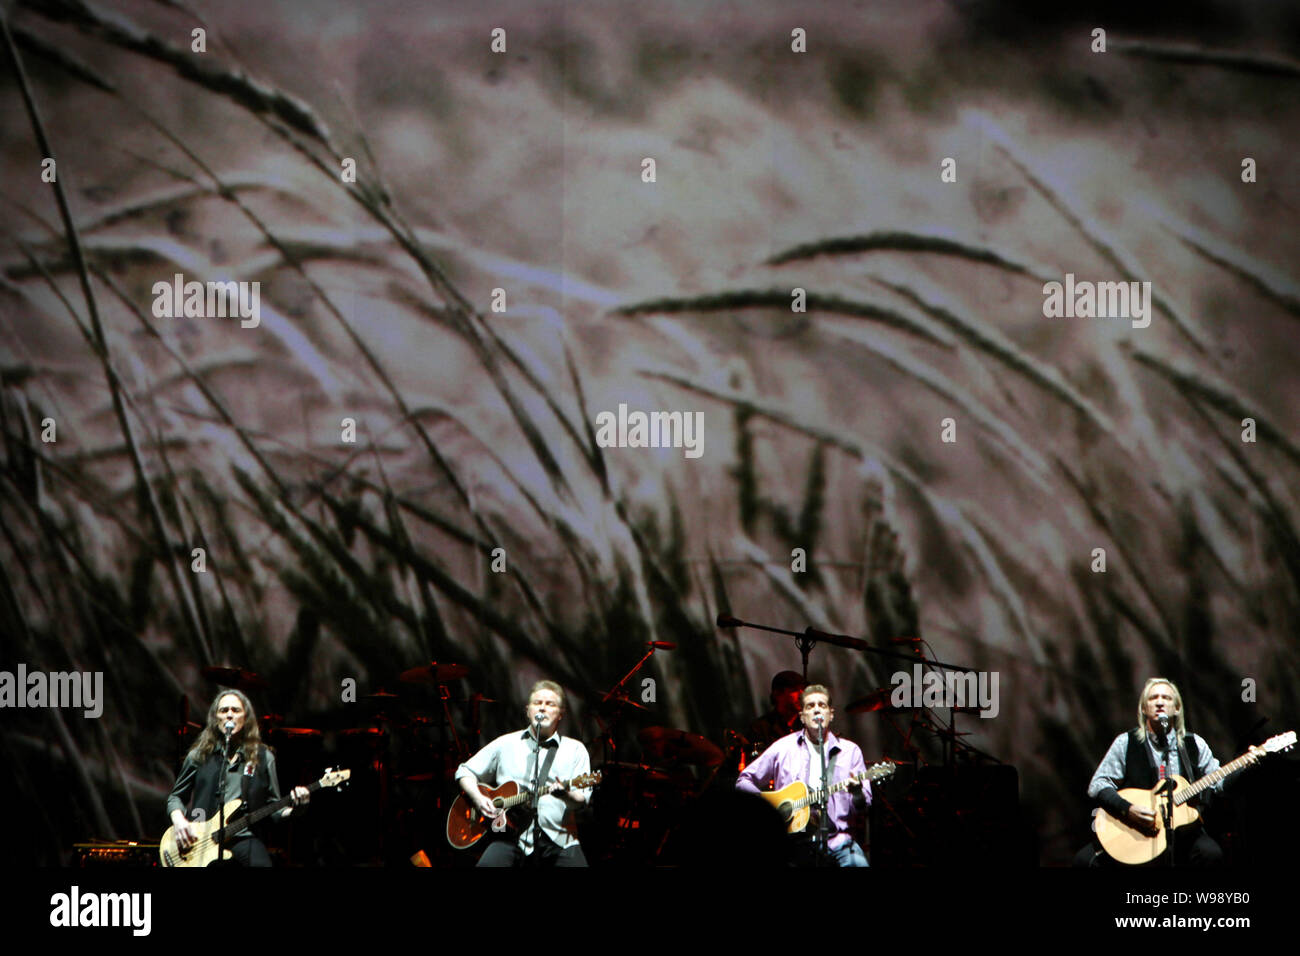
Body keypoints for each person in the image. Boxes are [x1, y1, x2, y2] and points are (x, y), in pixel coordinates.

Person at [1075, 677, 1224, 866]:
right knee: (1084, 861)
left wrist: (1245, 764)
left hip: (1184, 833)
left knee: (1211, 854)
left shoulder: (1194, 744)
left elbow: (1219, 782)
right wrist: (1128, 809)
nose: (1160, 702)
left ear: (1177, 708)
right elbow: (1098, 784)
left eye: (1167, 698)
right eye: (1153, 698)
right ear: (1144, 709)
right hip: (1137, 831)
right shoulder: (1126, 742)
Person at [455, 680, 592, 867]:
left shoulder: (575, 749)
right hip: (509, 837)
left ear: (561, 713)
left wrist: (565, 794)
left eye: (550, 704)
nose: (542, 708)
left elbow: (581, 800)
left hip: (560, 840)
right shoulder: (505, 744)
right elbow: (465, 771)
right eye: (537, 703)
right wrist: (478, 798)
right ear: (528, 711)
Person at [166, 689, 309, 867]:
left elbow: (275, 809)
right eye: (224, 710)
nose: (229, 715)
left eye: (236, 710)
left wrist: (297, 809)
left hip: (243, 837)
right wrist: (179, 821)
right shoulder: (198, 756)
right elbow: (175, 797)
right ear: (215, 718)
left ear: (246, 717)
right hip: (200, 841)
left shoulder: (264, 758)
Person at [736, 684, 873, 866]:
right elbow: (743, 781)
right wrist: (767, 806)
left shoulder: (850, 751)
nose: (817, 710)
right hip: (791, 844)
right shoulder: (782, 747)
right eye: (810, 706)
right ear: (801, 716)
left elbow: (864, 806)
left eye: (822, 705)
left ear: (831, 714)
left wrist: (857, 793)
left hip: (838, 842)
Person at [746, 670, 807, 756]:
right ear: (777, 694)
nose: (801, 695)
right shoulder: (760, 728)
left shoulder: (808, 726)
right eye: (794, 690)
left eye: (802, 690)